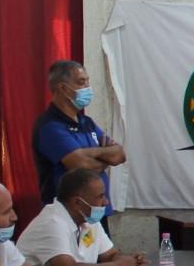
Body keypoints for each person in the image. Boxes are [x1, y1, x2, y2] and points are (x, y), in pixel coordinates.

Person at [16, 167, 146, 266]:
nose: (106, 202)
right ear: (77, 202)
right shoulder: (52, 222)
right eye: (100, 196)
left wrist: (128, 261)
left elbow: (110, 254)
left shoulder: (88, 218)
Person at [32, 60, 125, 212]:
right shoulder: (50, 126)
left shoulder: (86, 122)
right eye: (82, 82)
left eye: (88, 82)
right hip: (69, 214)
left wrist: (88, 153)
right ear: (63, 88)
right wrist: (104, 158)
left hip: (97, 211)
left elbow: (120, 154)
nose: (88, 88)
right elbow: (82, 166)